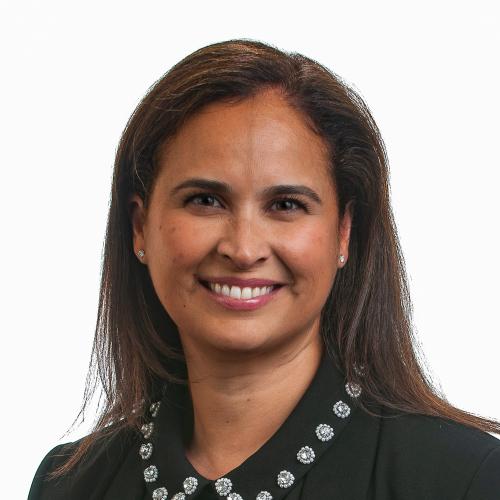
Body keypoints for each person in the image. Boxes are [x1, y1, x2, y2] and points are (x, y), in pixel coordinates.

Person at [28, 39, 500, 500]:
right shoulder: (67, 485)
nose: (243, 248)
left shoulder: (465, 480)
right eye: (206, 200)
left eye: (286, 205)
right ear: (139, 227)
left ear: (343, 233)